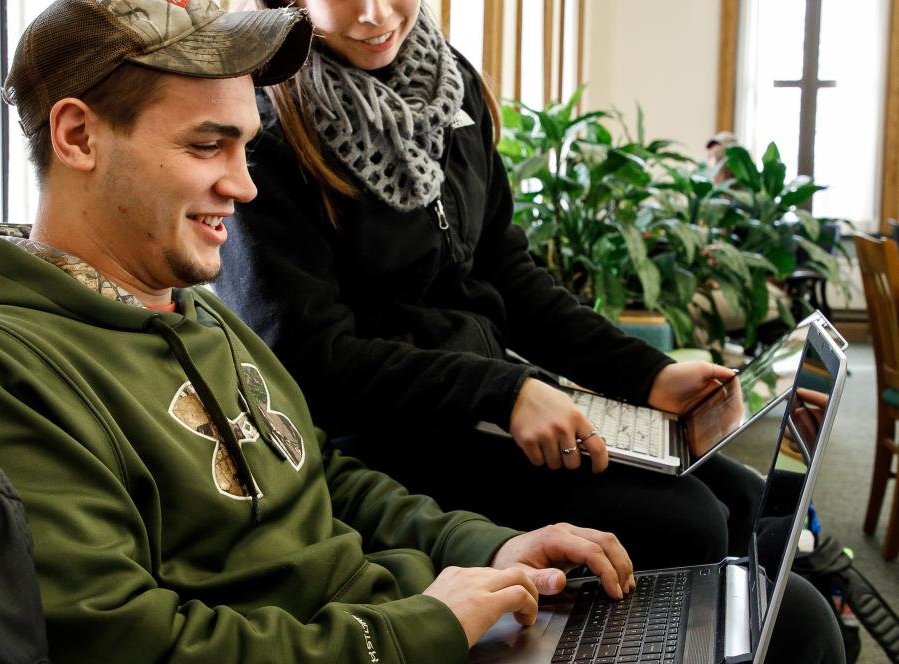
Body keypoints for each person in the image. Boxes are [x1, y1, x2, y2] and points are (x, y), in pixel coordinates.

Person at [0, 2, 642, 661]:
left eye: (246, 148)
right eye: (205, 147)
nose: (245, 185)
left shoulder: (195, 310)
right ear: (77, 135)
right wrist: (410, 632)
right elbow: (125, 640)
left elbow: (323, 477)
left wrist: (488, 545)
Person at [215, 0, 763, 572]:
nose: (375, 15)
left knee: (745, 494)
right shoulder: (265, 133)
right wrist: (502, 391)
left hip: (487, 401)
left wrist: (649, 374)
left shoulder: (450, 85)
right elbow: (306, 360)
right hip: (387, 437)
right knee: (692, 524)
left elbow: (507, 275)